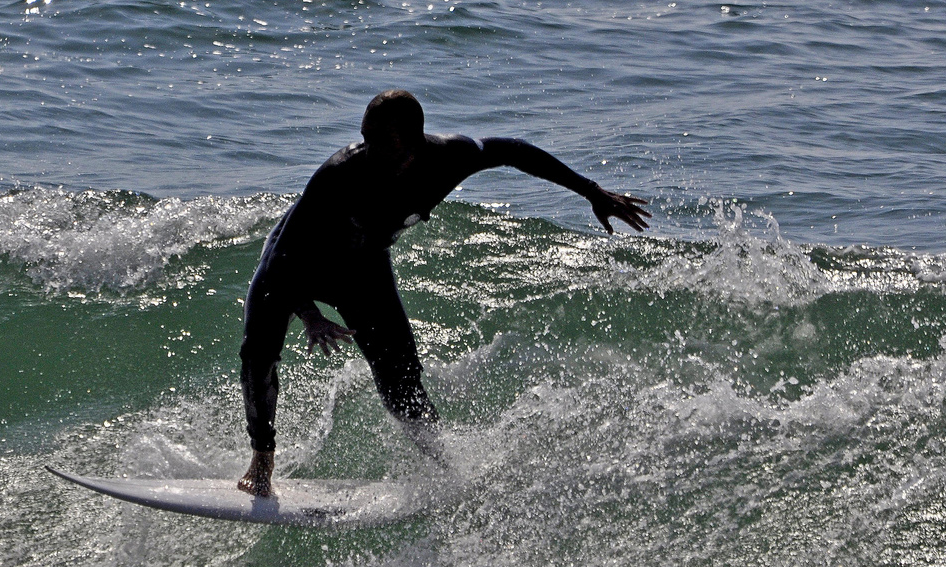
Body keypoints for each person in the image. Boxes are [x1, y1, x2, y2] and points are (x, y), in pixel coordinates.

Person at [237, 89, 650, 498]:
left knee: (402, 384)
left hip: (362, 269)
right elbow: (284, 260)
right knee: (258, 355)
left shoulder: (449, 157)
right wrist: (309, 315)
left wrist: (592, 192)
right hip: (296, 263)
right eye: (366, 138)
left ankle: (446, 469)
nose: (371, 150)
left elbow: (514, 151)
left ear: (415, 142)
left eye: (384, 143)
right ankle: (262, 460)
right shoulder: (340, 174)